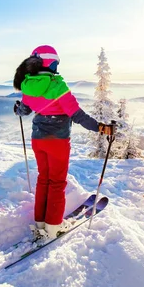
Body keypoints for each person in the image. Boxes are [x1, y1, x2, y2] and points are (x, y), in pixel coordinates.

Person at [13, 45, 114, 239]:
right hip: (57, 141)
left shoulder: (27, 85)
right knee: (57, 182)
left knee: (44, 179)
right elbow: (78, 116)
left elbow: (24, 111)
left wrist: (17, 109)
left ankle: (41, 222)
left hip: (38, 138)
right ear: (52, 63)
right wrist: (102, 128)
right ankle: (53, 227)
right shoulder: (57, 86)